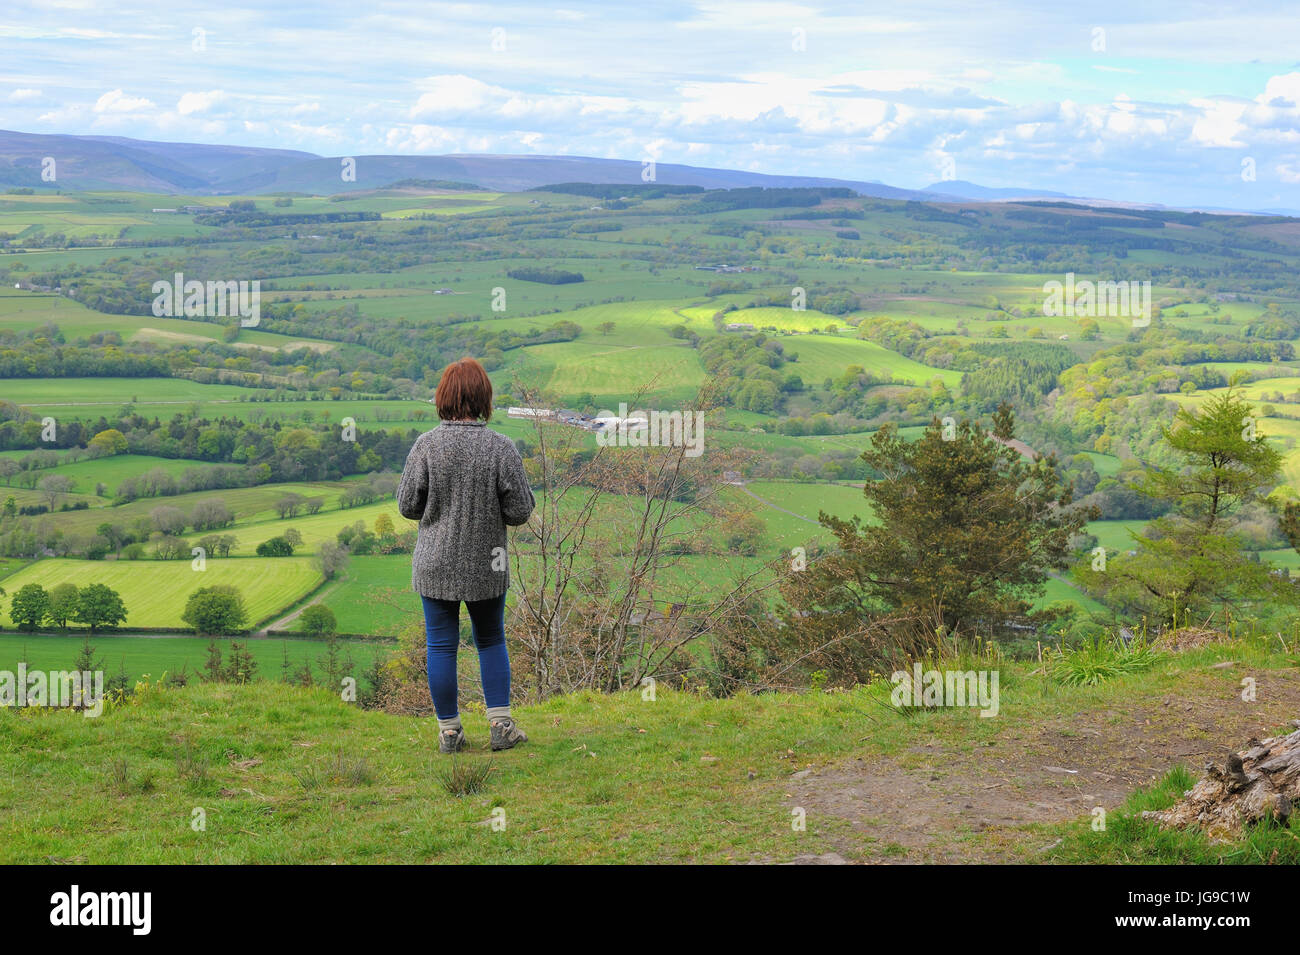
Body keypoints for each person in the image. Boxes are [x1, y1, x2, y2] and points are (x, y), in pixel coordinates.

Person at [397, 357, 535, 752]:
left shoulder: (426, 445)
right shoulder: (500, 447)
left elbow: (408, 505)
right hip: (487, 563)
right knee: (490, 640)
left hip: (434, 562)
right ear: (483, 398)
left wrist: (441, 511)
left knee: (441, 644)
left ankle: (450, 733)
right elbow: (520, 511)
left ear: (444, 397)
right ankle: (501, 727)